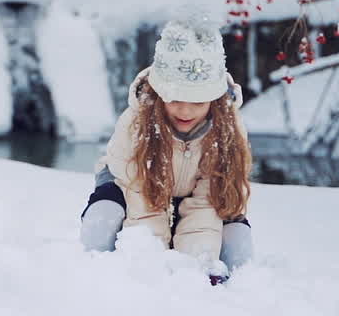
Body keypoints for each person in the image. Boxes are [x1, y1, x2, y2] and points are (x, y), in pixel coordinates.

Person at [80, 18, 254, 284]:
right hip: (133, 192)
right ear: (160, 93)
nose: (185, 111)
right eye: (175, 99)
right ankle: (95, 275)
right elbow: (142, 201)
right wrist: (149, 261)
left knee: (238, 239)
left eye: (197, 101)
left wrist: (195, 266)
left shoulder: (228, 128)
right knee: (102, 216)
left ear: (214, 97)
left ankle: (232, 293)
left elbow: (208, 203)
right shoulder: (136, 123)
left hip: (197, 200)